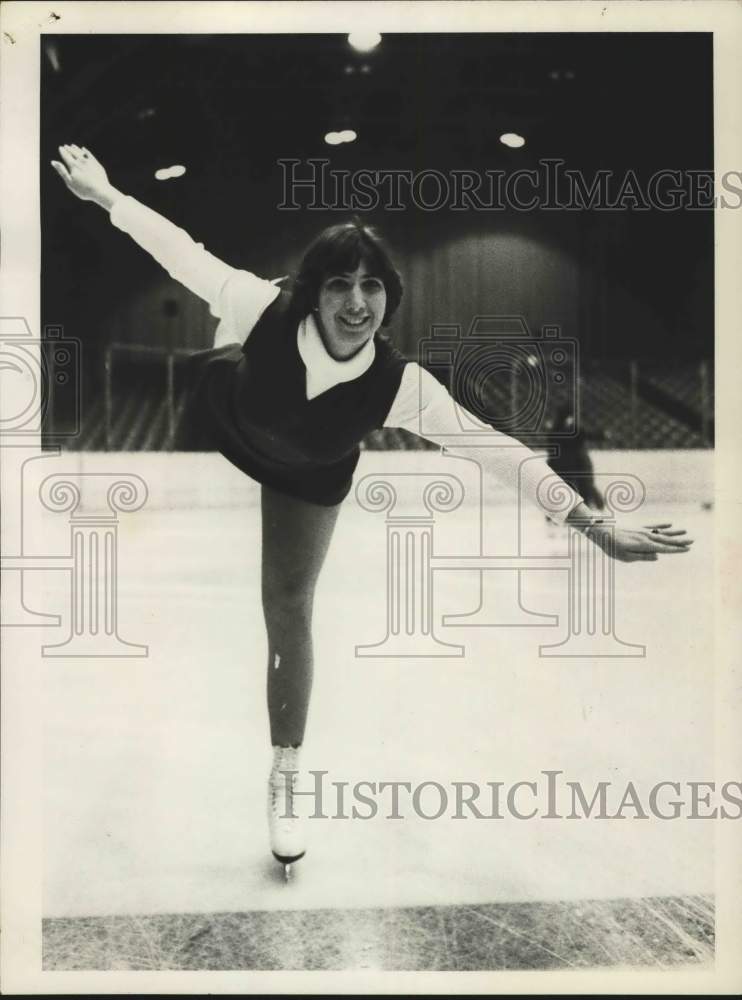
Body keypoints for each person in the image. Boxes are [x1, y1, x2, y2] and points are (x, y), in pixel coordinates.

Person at [51, 145, 693, 878]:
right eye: (338, 286)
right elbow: (175, 248)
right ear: (312, 293)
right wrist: (104, 195)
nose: (357, 303)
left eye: (372, 287)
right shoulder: (261, 304)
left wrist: (590, 521)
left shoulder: (400, 385)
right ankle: (226, 346)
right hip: (235, 413)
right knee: (223, 338)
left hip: (311, 471)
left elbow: (495, 448)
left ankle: (285, 773)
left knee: (289, 606)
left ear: (390, 296)